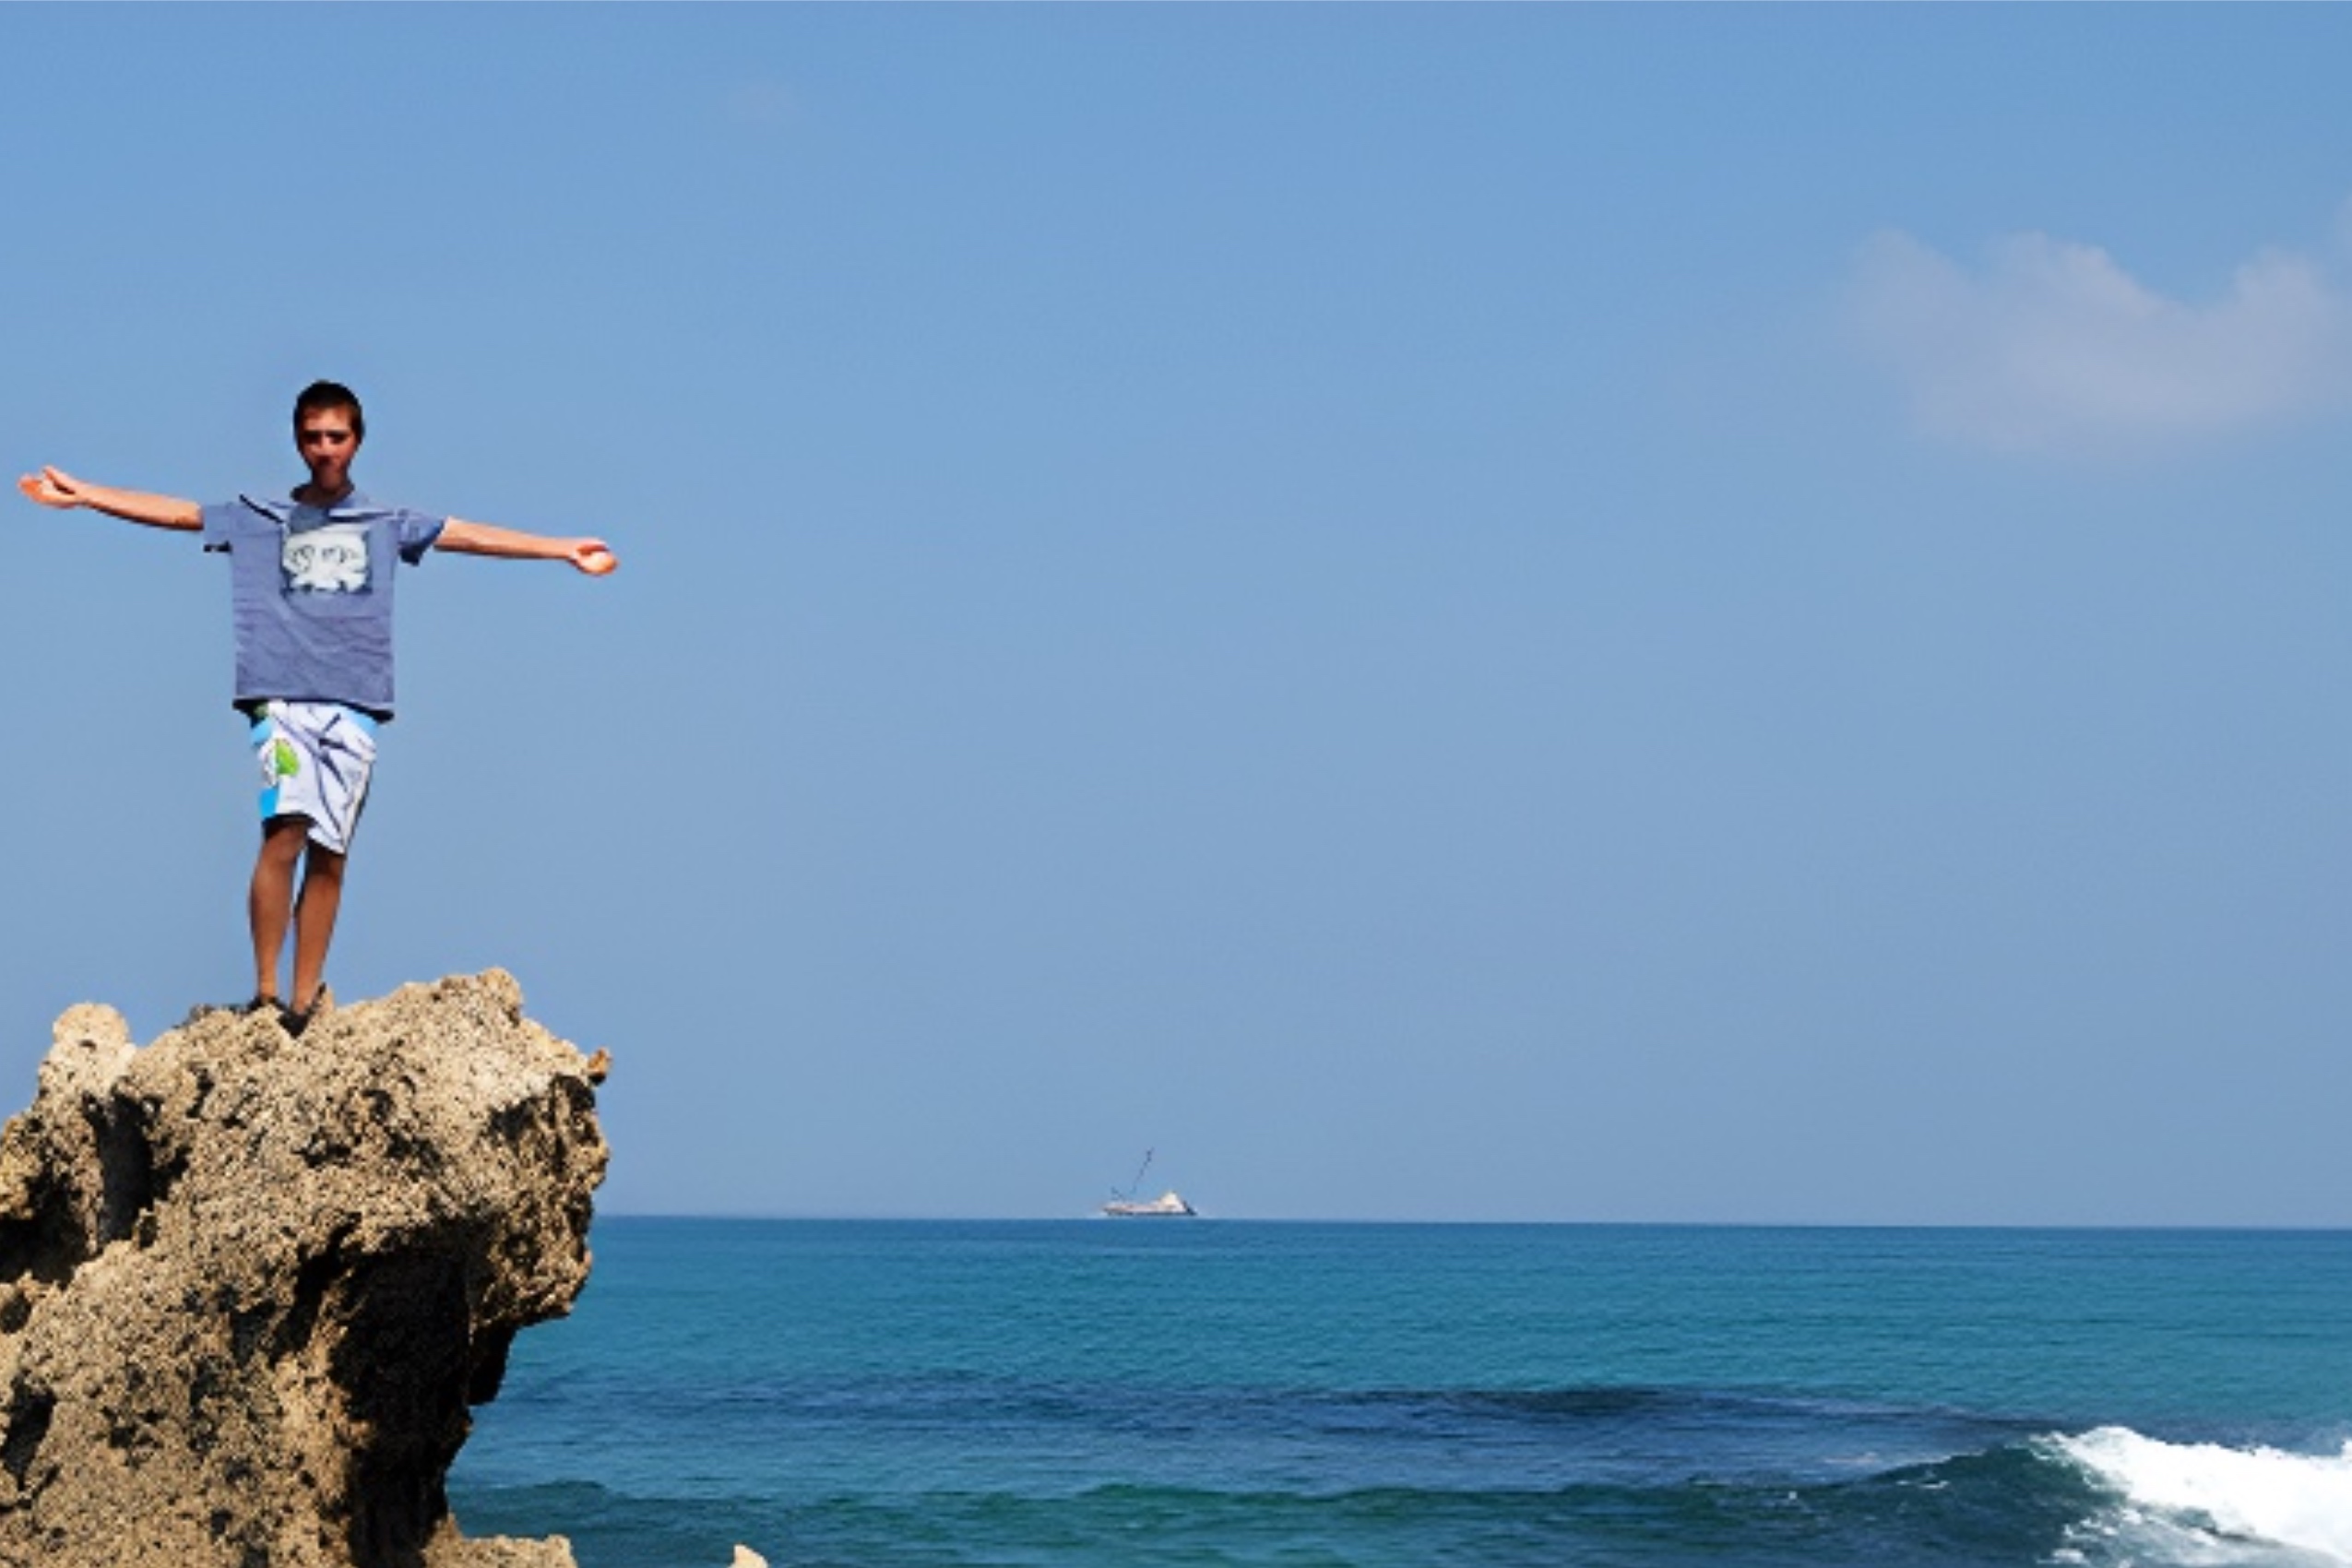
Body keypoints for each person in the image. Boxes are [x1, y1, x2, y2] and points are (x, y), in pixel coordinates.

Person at [17, 380, 616, 1036]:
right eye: (312, 436)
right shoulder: (260, 515)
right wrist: (86, 496)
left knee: (330, 851)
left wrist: (561, 548)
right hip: (278, 700)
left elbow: (465, 534)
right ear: (297, 441)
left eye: (336, 436)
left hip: (355, 704)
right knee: (285, 828)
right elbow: (178, 513)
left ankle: (304, 1006)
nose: (324, 448)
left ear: (356, 441)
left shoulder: (385, 523)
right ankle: (267, 995)